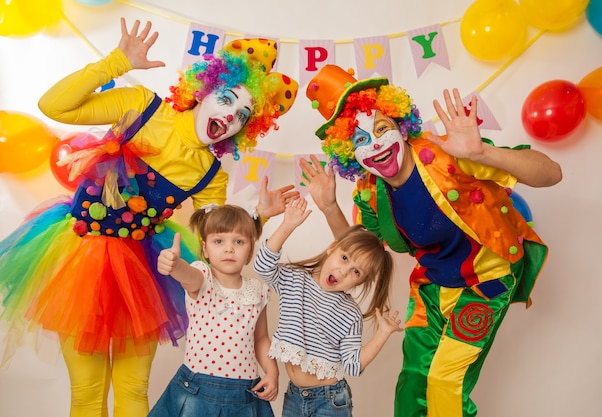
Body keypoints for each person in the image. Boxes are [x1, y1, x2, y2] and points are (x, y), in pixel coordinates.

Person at [0, 18, 298, 417]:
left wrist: (259, 216)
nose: (230, 117)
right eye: (226, 99)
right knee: (87, 390)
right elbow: (52, 106)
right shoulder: (142, 105)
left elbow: (219, 241)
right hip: (78, 261)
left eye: (243, 115)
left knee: (132, 390)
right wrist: (116, 62)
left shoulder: (211, 175)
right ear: (204, 90)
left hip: (142, 273)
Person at [299, 64, 563, 417]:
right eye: (360, 140)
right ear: (351, 154)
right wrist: (330, 206)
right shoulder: (370, 192)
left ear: (401, 126)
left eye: (381, 129)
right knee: (413, 386)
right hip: (431, 288)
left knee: (445, 382)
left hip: (487, 281)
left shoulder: (447, 154)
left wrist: (482, 153)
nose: (375, 144)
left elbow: (551, 173)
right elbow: (361, 252)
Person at [253, 197, 403, 417]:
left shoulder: (349, 313)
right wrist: (287, 226)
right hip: (294, 395)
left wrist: (383, 333)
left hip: (331, 399)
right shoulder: (295, 280)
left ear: (359, 282)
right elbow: (262, 267)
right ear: (332, 248)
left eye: (356, 272)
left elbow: (352, 366)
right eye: (344, 258)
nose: (343, 271)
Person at [149, 204, 277, 417]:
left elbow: (261, 338)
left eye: (239, 241)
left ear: (250, 251)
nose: (229, 249)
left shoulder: (258, 290)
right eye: (219, 241)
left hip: (244, 394)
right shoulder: (203, 278)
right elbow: (187, 275)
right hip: (198, 391)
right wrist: (175, 265)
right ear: (205, 249)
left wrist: (272, 372)